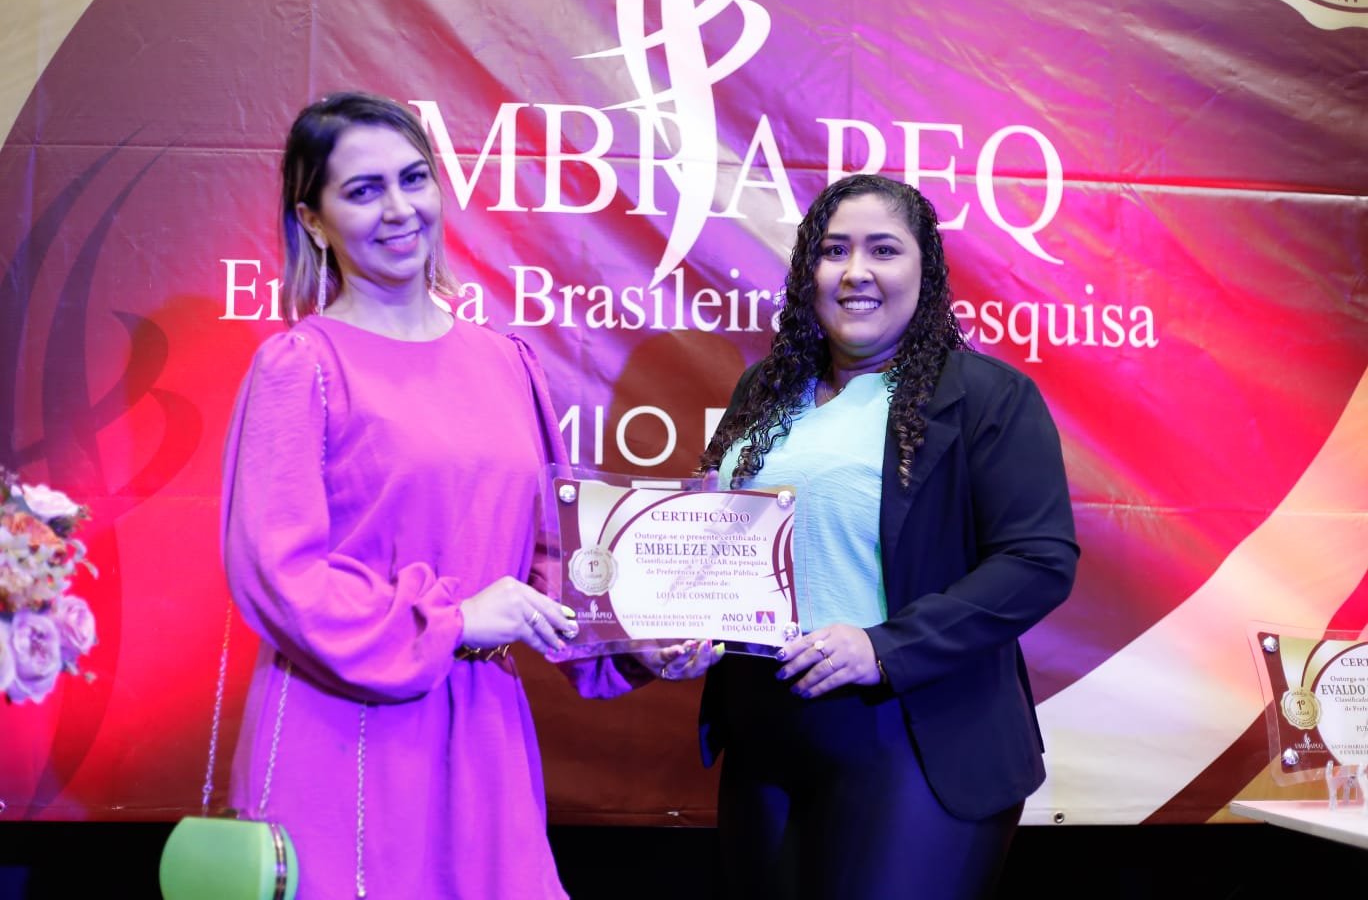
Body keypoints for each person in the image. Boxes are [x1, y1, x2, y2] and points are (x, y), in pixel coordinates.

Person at [220, 91, 711, 899]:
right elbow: (281, 575)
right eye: (363, 190)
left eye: (414, 178)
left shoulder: (505, 362)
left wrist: (639, 641)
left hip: (482, 731)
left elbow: (552, 562)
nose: (399, 209)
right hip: (342, 728)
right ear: (312, 221)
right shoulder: (300, 367)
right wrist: (453, 621)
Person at [691, 173, 1079, 899]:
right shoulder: (763, 391)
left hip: (914, 735)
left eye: (883, 250)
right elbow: (722, 536)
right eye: (834, 250)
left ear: (925, 271)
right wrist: (686, 621)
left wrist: (883, 648)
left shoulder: (987, 396)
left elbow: (1038, 561)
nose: (856, 271)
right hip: (763, 735)